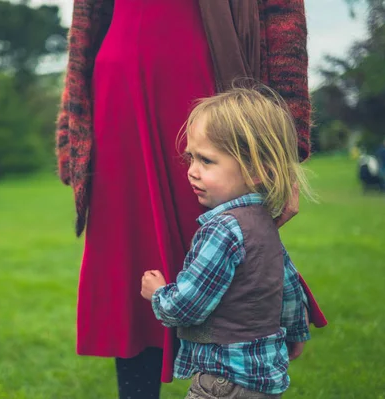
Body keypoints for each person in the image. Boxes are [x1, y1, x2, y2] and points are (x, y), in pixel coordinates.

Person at [55, 1, 327, 398]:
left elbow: (280, 16)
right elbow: (85, 23)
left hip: (206, 71)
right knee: (134, 261)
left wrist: (284, 150)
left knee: (235, 245)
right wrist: (72, 125)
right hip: (118, 89)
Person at [141, 87, 313, 399]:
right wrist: (296, 332)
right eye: (191, 157)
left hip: (222, 382)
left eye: (206, 160)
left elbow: (187, 307)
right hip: (262, 381)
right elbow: (287, 287)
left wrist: (158, 294)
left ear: (257, 169)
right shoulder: (264, 223)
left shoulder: (223, 230)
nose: (191, 171)